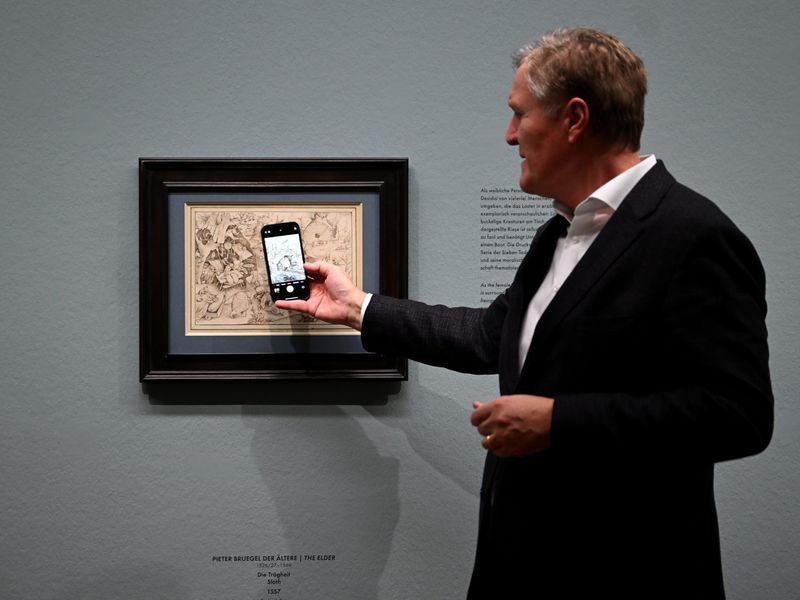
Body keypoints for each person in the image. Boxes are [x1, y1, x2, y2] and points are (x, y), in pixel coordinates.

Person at [277, 27, 773, 600]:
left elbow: (738, 415)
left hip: (630, 574)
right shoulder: (558, 232)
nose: (509, 135)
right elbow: (490, 336)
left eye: (519, 114)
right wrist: (357, 307)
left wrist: (560, 422)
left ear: (575, 118)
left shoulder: (694, 235)